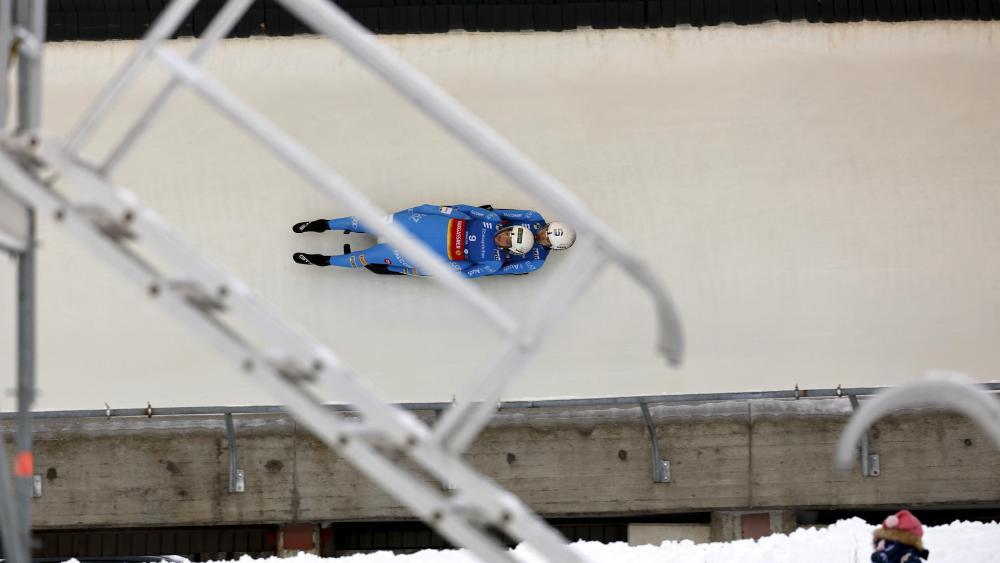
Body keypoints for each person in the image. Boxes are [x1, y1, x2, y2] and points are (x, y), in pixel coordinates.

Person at [292, 204, 534, 278]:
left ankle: (324, 261)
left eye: (506, 240)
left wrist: (407, 270)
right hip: (417, 223)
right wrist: (422, 209)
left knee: (368, 257)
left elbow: (457, 274)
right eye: (508, 231)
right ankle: (323, 224)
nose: (503, 236)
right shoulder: (490, 218)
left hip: (416, 252)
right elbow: (458, 210)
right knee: (368, 221)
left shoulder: (491, 263)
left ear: (509, 249)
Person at [486, 206, 576, 275]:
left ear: (551, 247)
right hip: (488, 229)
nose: (542, 235)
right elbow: (502, 213)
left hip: (486, 255)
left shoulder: (536, 262)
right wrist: (486, 212)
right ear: (547, 225)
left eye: (547, 239)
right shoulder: (533, 217)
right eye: (546, 230)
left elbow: (501, 270)